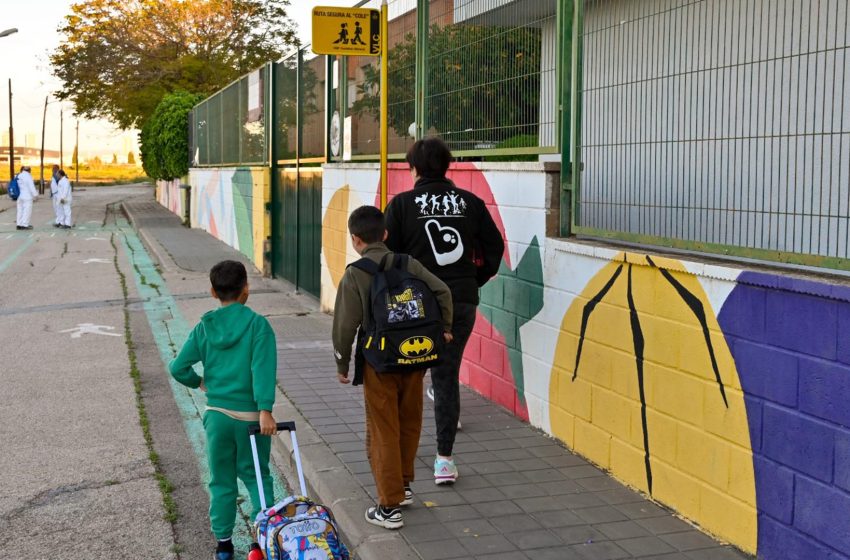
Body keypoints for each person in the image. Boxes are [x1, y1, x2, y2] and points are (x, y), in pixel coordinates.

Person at [385, 138, 504, 485]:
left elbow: (388, 254)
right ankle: (444, 460)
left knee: (408, 371)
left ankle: (401, 452)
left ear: (414, 168)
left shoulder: (404, 204)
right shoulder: (470, 202)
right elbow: (494, 247)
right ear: (447, 165)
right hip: (462, 300)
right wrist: (472, 279)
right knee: (446, 374)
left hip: (417, 301)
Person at [333, 205, 453, 529]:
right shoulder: (407, 262)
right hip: (415, 358)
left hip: (380, 362)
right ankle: (404, 485)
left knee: (383, 428)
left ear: (355, 240)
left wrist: (342, 362)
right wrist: (445, 329)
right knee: (410, 420)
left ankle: (388, 507)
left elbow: (345, 325)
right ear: (385, 234)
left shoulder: (356, 274)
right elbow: (442, 290)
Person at [169, 260, 278, 560]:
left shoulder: (204, 327)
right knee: (257, 477)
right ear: (246, 289)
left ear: (212, 292)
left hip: (217, 417)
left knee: (221, 481)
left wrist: (199, 381)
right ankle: (262, 540)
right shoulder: (258, 326)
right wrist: (265, 409)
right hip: (251, 419)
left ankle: (224, 545)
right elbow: (263, 370)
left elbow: (178, 367)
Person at [15, 166, 38, 230]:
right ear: (29, 170)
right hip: (27, 196)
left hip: (20, 196)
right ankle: (25, 225)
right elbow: (31, 186)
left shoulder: (19, 175)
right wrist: (35, 195)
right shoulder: (28, 176)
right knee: (27, 211)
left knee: (20, 210)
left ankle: (19, 224)